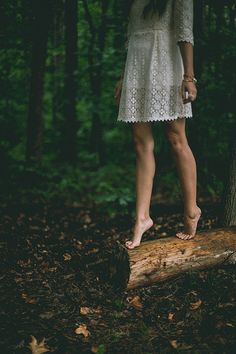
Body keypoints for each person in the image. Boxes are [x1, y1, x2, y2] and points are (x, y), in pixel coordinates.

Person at [114, 0, 201, 250]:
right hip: (137, 68)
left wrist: (189, 77)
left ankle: (191, 210)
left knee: (176, 138)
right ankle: (142, 218)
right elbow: (131, 37)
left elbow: (185, 32)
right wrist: (124, 76)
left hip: (166, 64)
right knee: (141, 143)